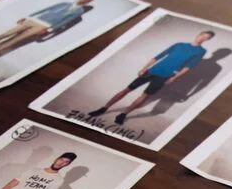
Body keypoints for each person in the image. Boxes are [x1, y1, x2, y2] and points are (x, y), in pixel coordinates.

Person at [87, 30, 215, 125]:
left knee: (145, 96)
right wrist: (145, 67)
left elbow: (189, 66)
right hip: (152, 71)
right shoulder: (179, 45)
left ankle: (123, 114)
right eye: (203, 35)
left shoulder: (200, 52)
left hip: (165, 76)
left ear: (207, 40)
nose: (203, 38)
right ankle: (104, 108)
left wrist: (174, 78)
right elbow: (159, 55)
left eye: (206, 38)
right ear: (198, 34)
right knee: (127, 89)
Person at [0, 0, 96, 62]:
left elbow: (65, 23)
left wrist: (49, 30)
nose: (85, 0)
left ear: (88, 3)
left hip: (44, 26)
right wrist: (26, 17)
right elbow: (45, 9)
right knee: (4, 35)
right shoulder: (65, 3)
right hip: (33, 20)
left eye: (88, 0)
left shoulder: (79, 13)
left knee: (15, 41)